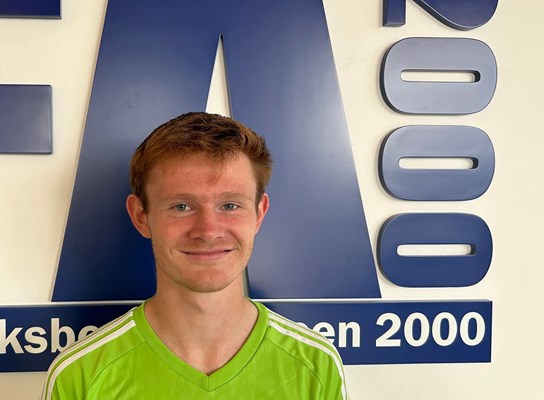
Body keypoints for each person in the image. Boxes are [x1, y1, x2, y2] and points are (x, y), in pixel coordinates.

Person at [41, 112, 347, 399]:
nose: (208, 231)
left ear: (259, 213)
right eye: (181, 206)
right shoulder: (80, 374)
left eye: (230, 205)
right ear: (141, 216)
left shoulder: (316, 365)